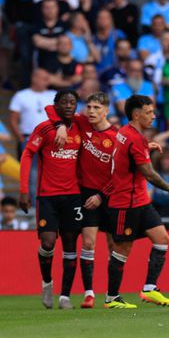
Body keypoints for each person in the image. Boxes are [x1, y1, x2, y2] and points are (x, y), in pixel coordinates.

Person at [44, 92, 123, 309]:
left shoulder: (116, 138)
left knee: (113, 246)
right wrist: (60, 125)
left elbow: (120, 176)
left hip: (109, 196)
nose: (91, 111)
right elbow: (50, 109)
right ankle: (89, 293)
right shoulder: (82, 122)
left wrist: (102, 196)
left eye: (97, 108)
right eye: (89, 107)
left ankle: (112, 295)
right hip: (87, 195)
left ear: (107, 111)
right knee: (88, 243)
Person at [104, 94, 169, 309]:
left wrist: (147, 147)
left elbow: (131, 150)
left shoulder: (126, 133)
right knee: (122, 248)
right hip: (125, 203)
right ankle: (111, 298)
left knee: (162, 238)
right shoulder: (135, 139)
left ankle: (149, 288)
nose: (153, 116)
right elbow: (148, 173)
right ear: (137, 114)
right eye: (149, 112)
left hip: (140, 201)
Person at [19, 90, 82, 309]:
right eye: (63, 102)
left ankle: (65, 296)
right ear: (56, 105)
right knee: (47, 243)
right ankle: (47, 283)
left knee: (71, 245)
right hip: (47, 196)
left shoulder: (81, 127)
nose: (68, 106)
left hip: (74, 196)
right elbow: (27, 154)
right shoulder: (44, 128)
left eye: (72, 102)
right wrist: (24, 190)